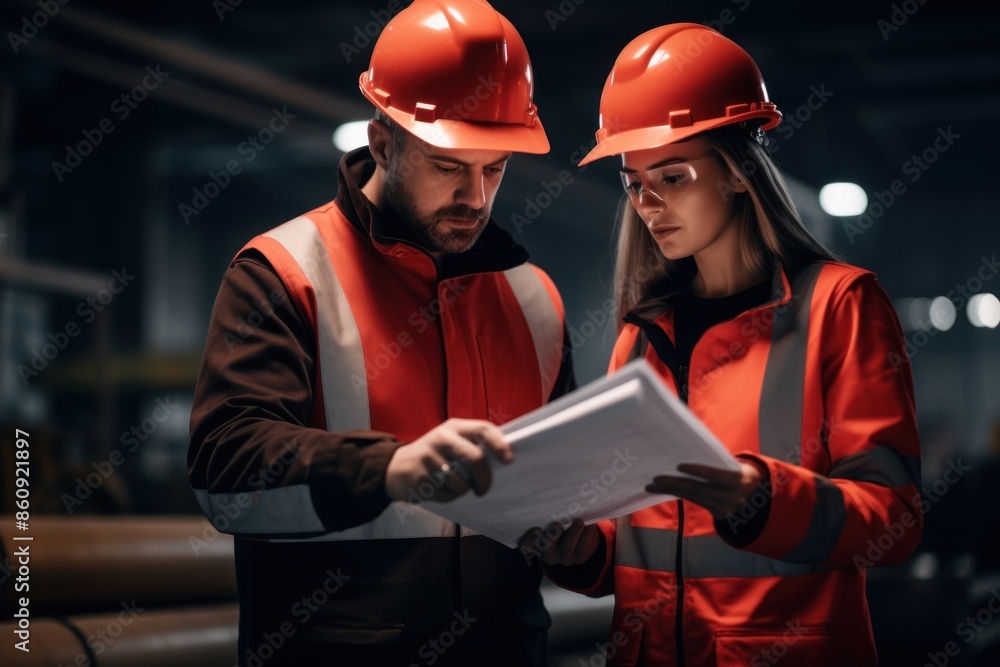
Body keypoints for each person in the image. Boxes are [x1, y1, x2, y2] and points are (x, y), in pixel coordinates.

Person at [519, 23, 922, 666]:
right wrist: (584, 551)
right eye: (633, 181)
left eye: (672, 176)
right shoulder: (642, 334)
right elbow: (633, 533)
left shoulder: (839, 306)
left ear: (737, 172)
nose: (648, 204)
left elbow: (893, 522)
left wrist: (756, 496)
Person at [187, 1, 574, 665]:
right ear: (382, 142)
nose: (475, 197)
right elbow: (225, 474)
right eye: (449, 166)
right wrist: (390, 468)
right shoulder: (282, 272)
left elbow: (566, 491)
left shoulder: (533, 298)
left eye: (494, 168)